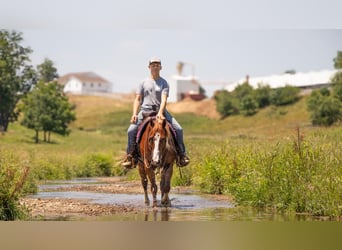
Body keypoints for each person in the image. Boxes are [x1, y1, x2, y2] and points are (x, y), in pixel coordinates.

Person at [122, 57, 190, 169]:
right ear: (149, 67)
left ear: (161, 67)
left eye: (157, 65)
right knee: (131, 130)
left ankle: (181, 155)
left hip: (160, 111)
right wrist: (134, 113)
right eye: (153, 65)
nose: (155, 66)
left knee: (178, 129)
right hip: (145, 111)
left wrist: (160, 112)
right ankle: (130, 156)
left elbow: (164, 99)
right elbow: (137, 99)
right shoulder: (143, 82)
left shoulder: (164, 83)